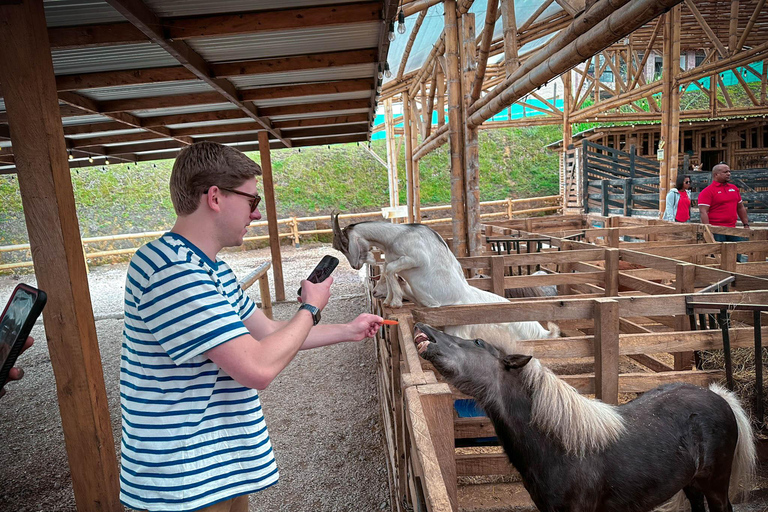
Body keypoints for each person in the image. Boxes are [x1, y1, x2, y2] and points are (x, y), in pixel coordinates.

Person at [119, 141, 384, 512]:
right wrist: (310, 307)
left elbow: (267, 332)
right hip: (184, 477)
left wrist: (348, 330)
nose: (255, 215)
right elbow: (257, 367)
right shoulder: (171, 270)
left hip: (217, 465)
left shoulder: (209, 268)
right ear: (215, 197)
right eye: (251, 201)